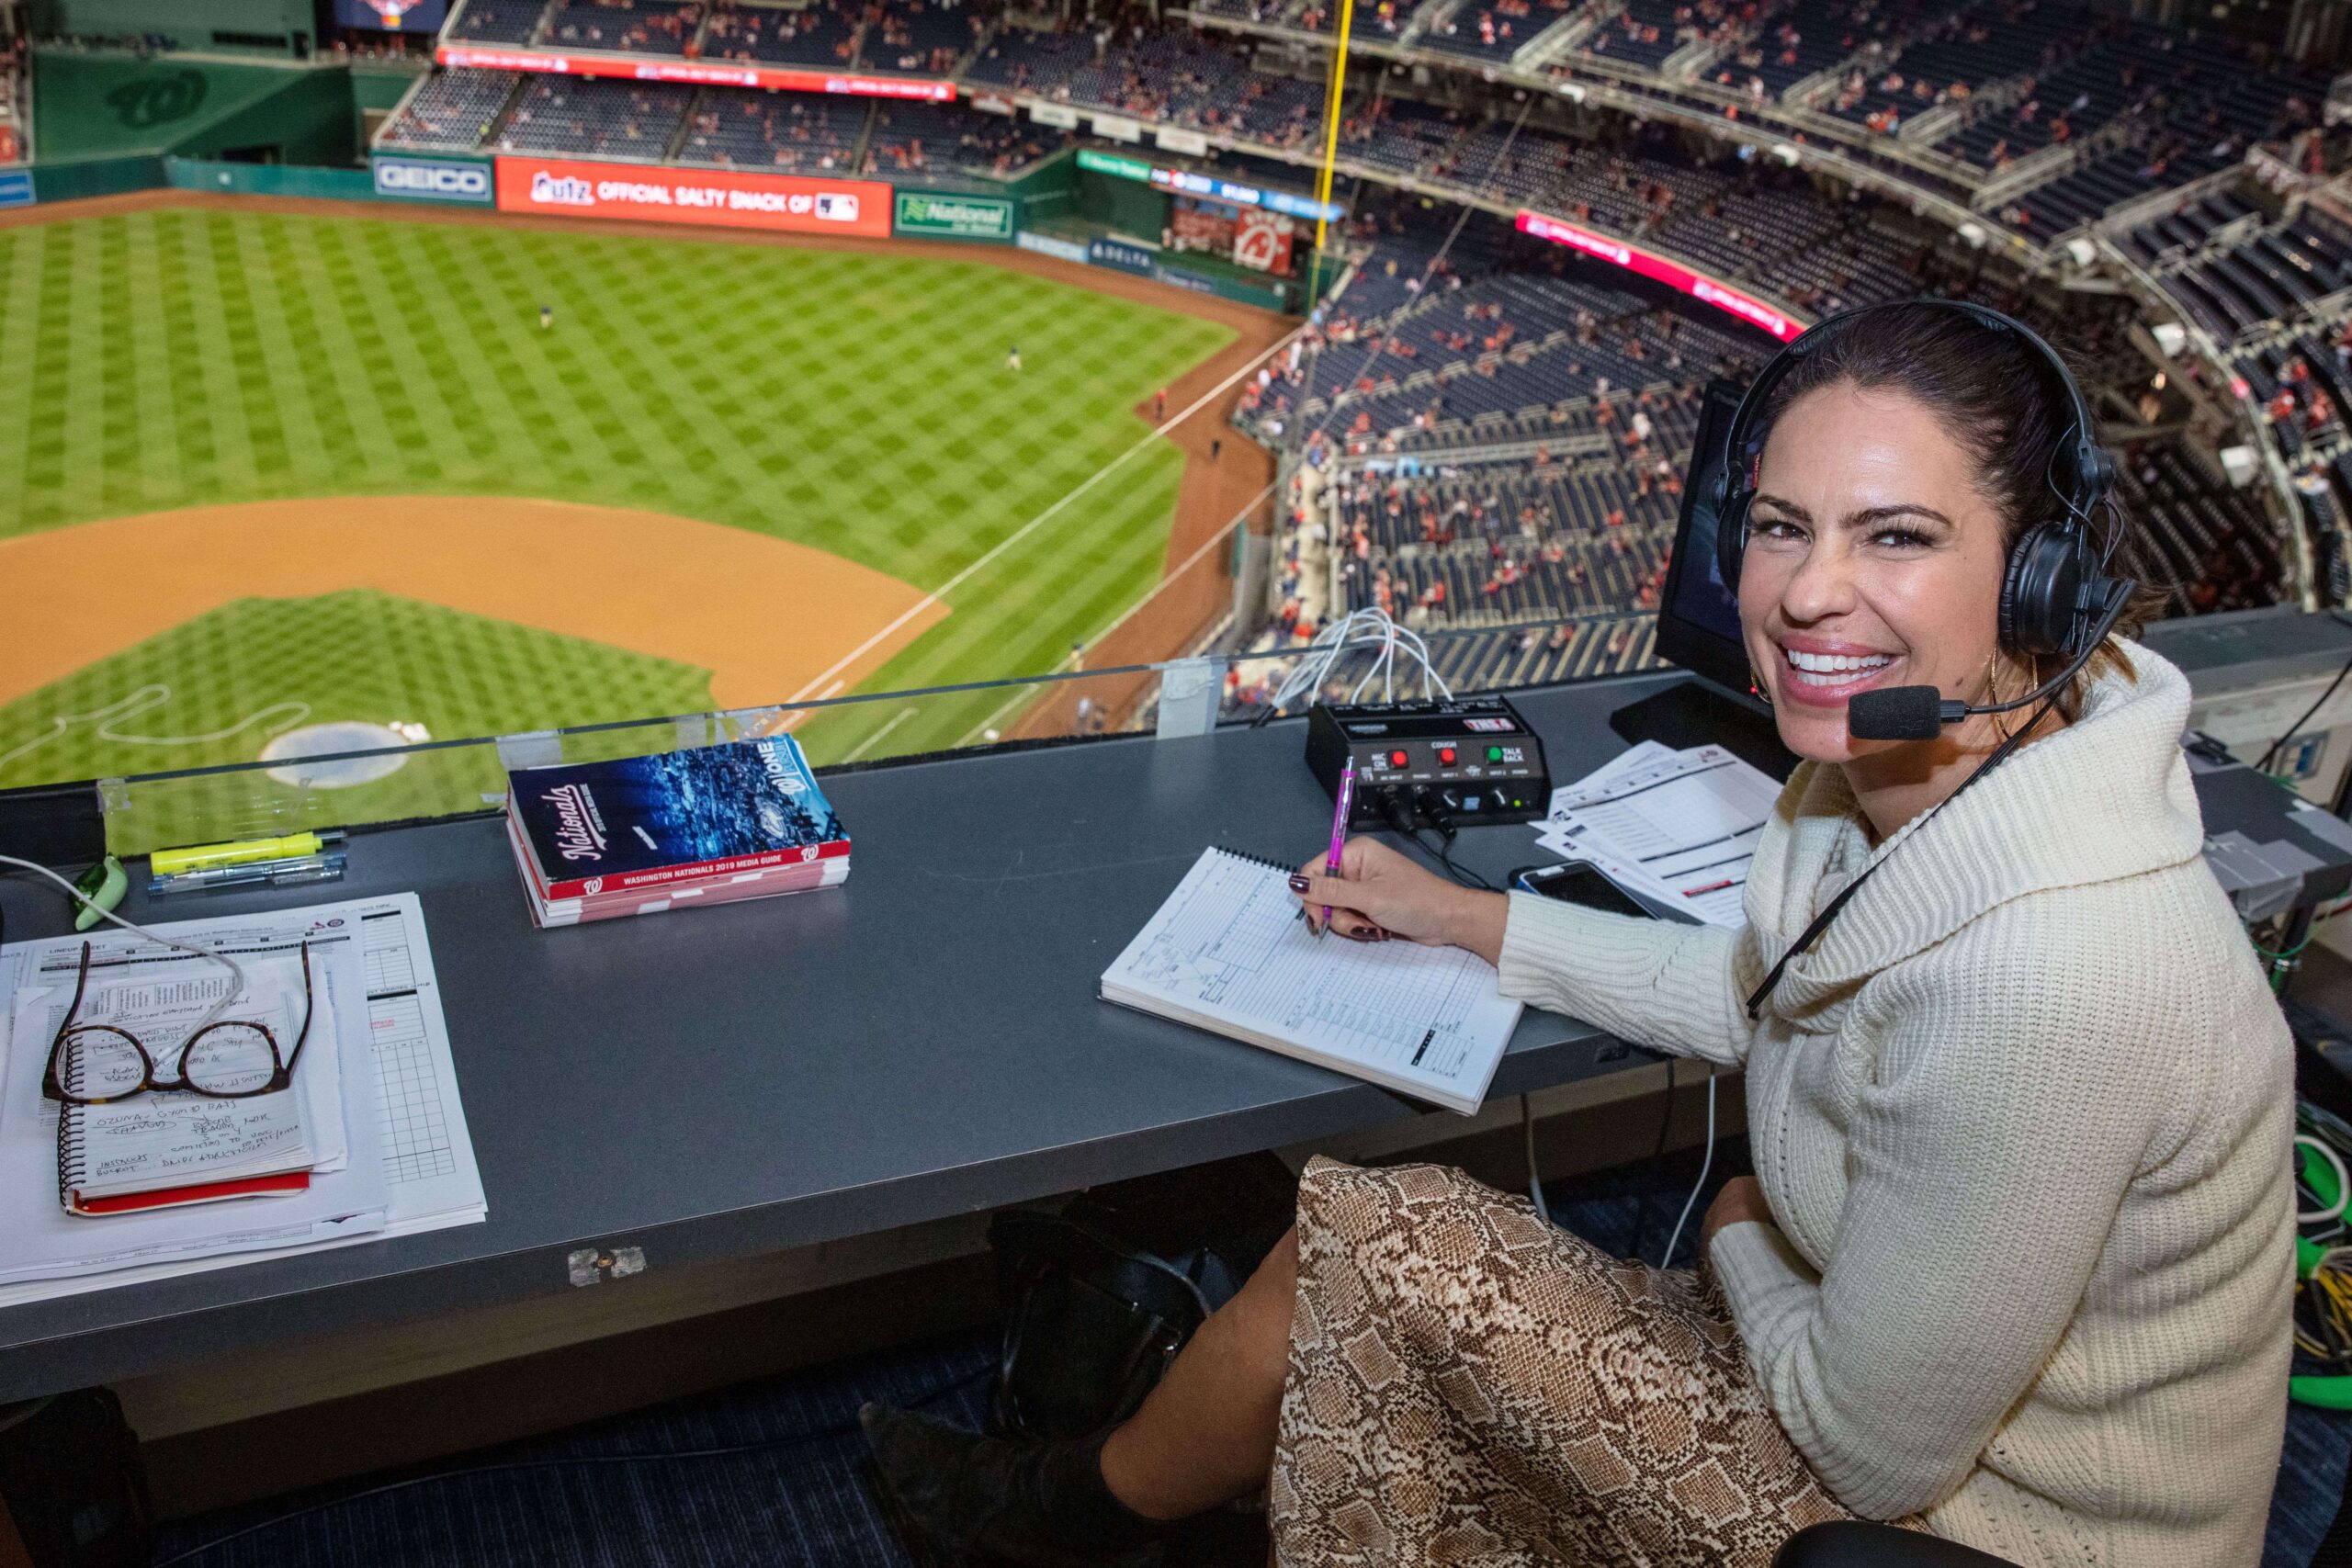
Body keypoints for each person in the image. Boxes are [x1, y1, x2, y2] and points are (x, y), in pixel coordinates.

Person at [861, 303, 2293, 1567]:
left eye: (1898, 538)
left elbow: (1873, 1456)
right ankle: (1128, 1506)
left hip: (1988, 1531)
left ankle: (1052, 1522)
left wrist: (1739, 1231)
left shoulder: (2057, 976)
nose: (1803, 593)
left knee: (1378, 1234)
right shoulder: (1909, 774)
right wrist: (1464, 916)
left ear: (2042, 585)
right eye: (1783, 525)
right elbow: (1763, 993)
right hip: (1883, 1388)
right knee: (1363, 1259)